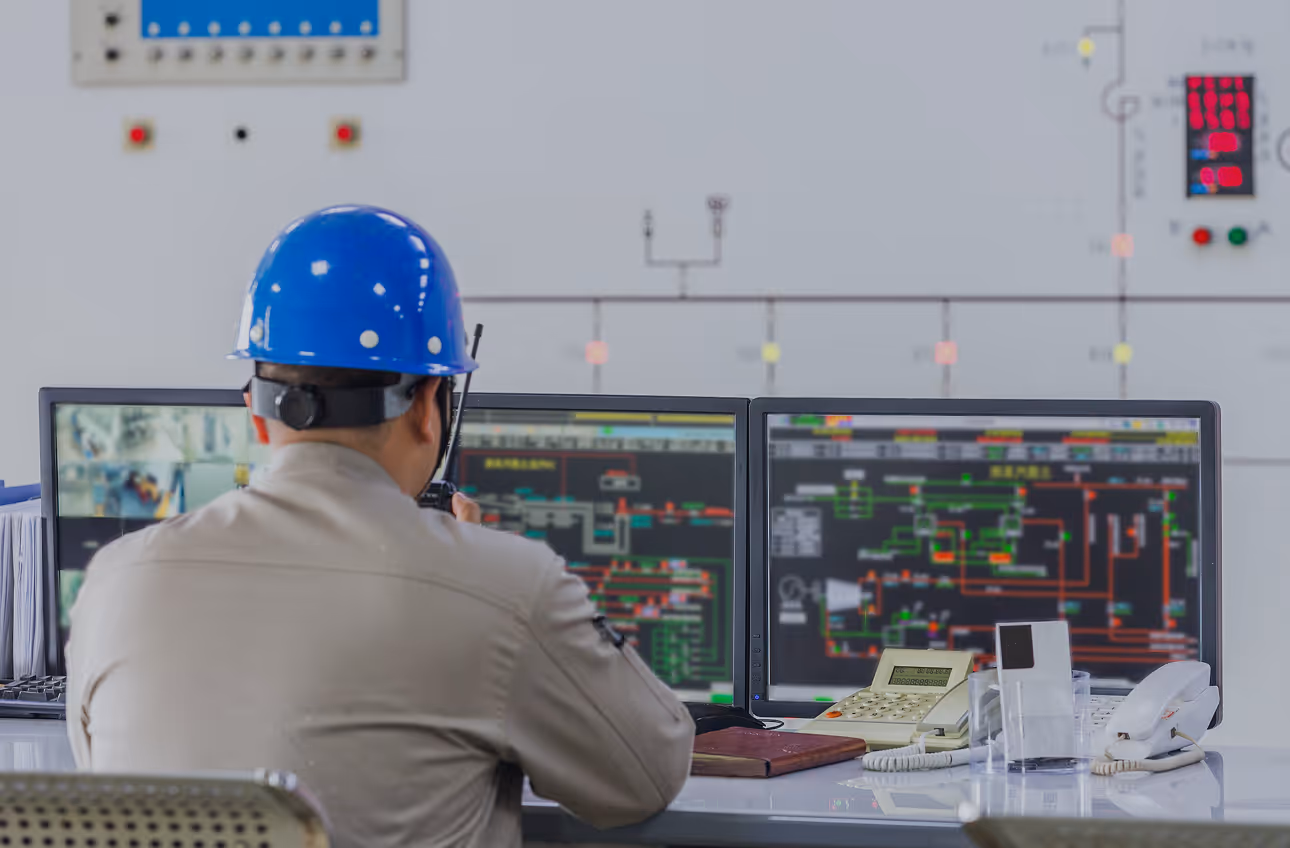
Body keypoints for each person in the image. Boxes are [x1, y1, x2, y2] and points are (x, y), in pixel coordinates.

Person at [66, 206, 694, 848]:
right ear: (429, 409)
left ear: (254, 415)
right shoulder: (501, 586)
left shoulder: (117, 580)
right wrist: (484, 569)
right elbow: (646, 776)